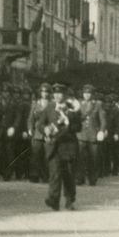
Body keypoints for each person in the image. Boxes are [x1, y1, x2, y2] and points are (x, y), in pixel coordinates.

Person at [34, 83, 81, 211]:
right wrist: (45, 130)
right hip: (54, 145)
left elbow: (78, 127)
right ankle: (53, 200)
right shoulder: (49, 107)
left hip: (67, 146)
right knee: (54, 173)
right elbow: (39, 124)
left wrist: (68, 122)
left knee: (69, 174)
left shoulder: (72, 108)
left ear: (65, 95)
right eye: (55, 93)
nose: (57, 96)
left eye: (60, 93)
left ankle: (70, 200)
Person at [75, 84, 106, 186]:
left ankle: (93, 179)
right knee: (80, 158)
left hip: (93, 135)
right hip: (81, 134)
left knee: (94, 158)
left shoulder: (97, 105)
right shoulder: (79, 104)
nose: (86, 95)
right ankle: (80, 178)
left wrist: (101, 130)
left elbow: (103, 120)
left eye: (89, 93)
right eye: (85, 93)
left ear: (92, 94)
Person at [27, 83, 52, 184]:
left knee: (47, 155)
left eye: (46, 92)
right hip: (37, 132)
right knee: (35, 154)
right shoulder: (35, 104)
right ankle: (34, 175)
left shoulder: (52, 104)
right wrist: (30, 129)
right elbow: (30, 119)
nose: (44, 94)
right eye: (42, 91)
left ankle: (46, 176)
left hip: (48, 131)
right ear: (40, 92)